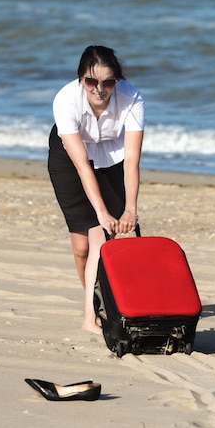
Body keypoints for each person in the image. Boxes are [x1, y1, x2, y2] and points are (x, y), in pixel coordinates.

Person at [47, 45, 145, 333]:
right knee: (81, 247)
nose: (99, 89)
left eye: (108, 82)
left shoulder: (132, 97)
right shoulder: (66, 100)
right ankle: (95, 300)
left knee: (100, 241)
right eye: (92, 82)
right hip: (71, 160)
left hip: (113, 158)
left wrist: (131, 209)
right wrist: (101, 212)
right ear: (81, 79)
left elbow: (132, 162)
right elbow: (82, 167)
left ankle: (90, 317)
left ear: (117, 81)